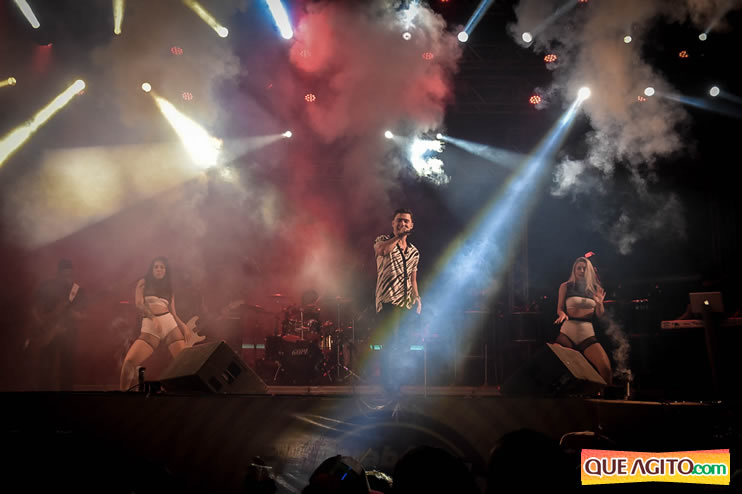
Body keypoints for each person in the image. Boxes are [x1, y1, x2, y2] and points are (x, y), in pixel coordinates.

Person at [120, 257, 197, 391]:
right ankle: (122, 396)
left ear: (166, 270)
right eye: (156, 267)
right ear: (152, 269)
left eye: (162, 267)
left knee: (185, 363)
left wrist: (183, 326)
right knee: (129, 362)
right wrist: (153, 318)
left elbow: (173, 312)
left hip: (169, 324)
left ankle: (190, 395)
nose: (159, 269)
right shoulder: (143, 282)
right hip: (150, 326)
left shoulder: (169, 289)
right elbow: (139, 304)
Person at [374, 208, 422, 391]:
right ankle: (387, 386)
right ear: (393, 224)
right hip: (388, 301)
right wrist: (398, 237)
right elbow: (383, 251)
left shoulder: (414, 252)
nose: (402, 223)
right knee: (390, 344)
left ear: (411, 225)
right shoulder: (382, 240)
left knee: (403, 344)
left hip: (405, 303)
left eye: (406, 221)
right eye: (399, 220)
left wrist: (417, 297)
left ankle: (397, 384)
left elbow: (413, 279)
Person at [554, 256, 612, 385]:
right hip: (567, 333)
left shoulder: (595, 289)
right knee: (553, 362)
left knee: (606, 369)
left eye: (584, 268)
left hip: (586, 334)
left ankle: (602, 395)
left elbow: (600, 315)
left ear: (589, 271)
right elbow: (559, 308)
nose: (581, 271)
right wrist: (562, 314)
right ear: (574, 270)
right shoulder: (565, 286)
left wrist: (600, 304)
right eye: (578, 268)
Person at [29, 259, 85, 390]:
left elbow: (85, 315)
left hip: (69, 333)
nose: (66, 278)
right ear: (58, 273)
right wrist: (41, 322)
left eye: (69, 275)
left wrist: (76, 315)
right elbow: (34, 308)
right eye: (64, 275)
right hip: (48, 332)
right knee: (45, 366)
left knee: (67, 367)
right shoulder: (46, 286)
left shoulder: (77, 290)